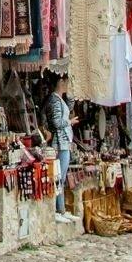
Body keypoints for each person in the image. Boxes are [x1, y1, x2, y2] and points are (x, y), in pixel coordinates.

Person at [48, 76, 77, 223]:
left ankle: (61, 208)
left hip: (64, 142)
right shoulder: (54, 100)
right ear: (61, 82)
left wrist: (70, 95)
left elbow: (70, 107)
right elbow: (56, 122)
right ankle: (57, 209)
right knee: (58, 176)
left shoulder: (60, 100)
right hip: (59, 142)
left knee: (61, 176)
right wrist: (69, 122)